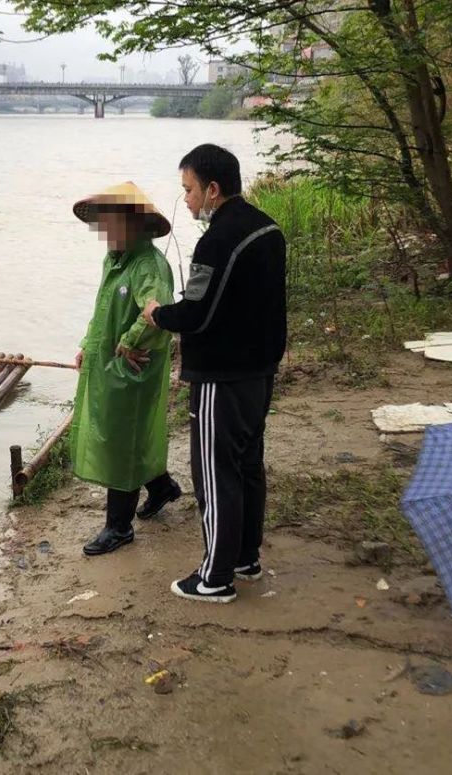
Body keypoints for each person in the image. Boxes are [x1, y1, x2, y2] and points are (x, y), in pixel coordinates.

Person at [142, 144, 287, 603]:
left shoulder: (219, 238)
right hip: (260, 371)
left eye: (189, 190)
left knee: (214, 472)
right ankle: (245, 558)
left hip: (222, 376)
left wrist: (158, 314)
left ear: (213, 189)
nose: (186, 200)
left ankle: (215, 576)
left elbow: (197, 314)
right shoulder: (269, 227)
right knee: (246, 466)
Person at [70, 181, 183, 557]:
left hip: (134, 368)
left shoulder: (148, 265)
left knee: (122, 442)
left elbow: (158, 310)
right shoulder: (113, 261)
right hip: (109, 365)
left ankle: (118, 527)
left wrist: (129, 342)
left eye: (114, 223)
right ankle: (162, 487)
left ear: (136, 225)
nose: (107, 232)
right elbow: (101, 309)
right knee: (128, 436)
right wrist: (88, 345)